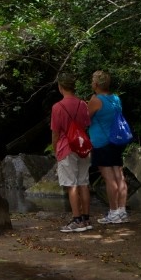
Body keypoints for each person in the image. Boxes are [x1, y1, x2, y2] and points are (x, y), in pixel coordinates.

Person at [50, 71, 92, 232]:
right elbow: (86, 124)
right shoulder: (83, 104)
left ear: (60, 87)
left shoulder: (57, 107)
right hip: (83, 147)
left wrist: (55, 149)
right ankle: (86, 219)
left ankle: (76, 220)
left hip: (66, 147)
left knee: (71, 184)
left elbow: (55, 132)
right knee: (84, 183)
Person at [88, 69, 129, 224]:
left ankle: (113, 212)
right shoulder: (116, 98)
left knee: (109, 178)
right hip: (116, 141)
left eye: (92, 81)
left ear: (96, 84)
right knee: (119, 175)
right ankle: (122, 211)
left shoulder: (96, 100)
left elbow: (85, 119)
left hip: (101, 142)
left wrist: (90, 102)